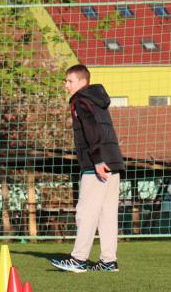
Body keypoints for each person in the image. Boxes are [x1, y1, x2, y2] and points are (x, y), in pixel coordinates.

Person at [51, 64, 124, 273]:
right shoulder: (97, 100)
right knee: (107, 214)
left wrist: (97, 160)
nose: (66, 86)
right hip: (114, 162)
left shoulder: (80, 100)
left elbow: (91, 129)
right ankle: (108, 261)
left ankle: (78, 259)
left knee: (86, 211)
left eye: (70, 81)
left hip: (97, 164)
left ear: (83, 82)